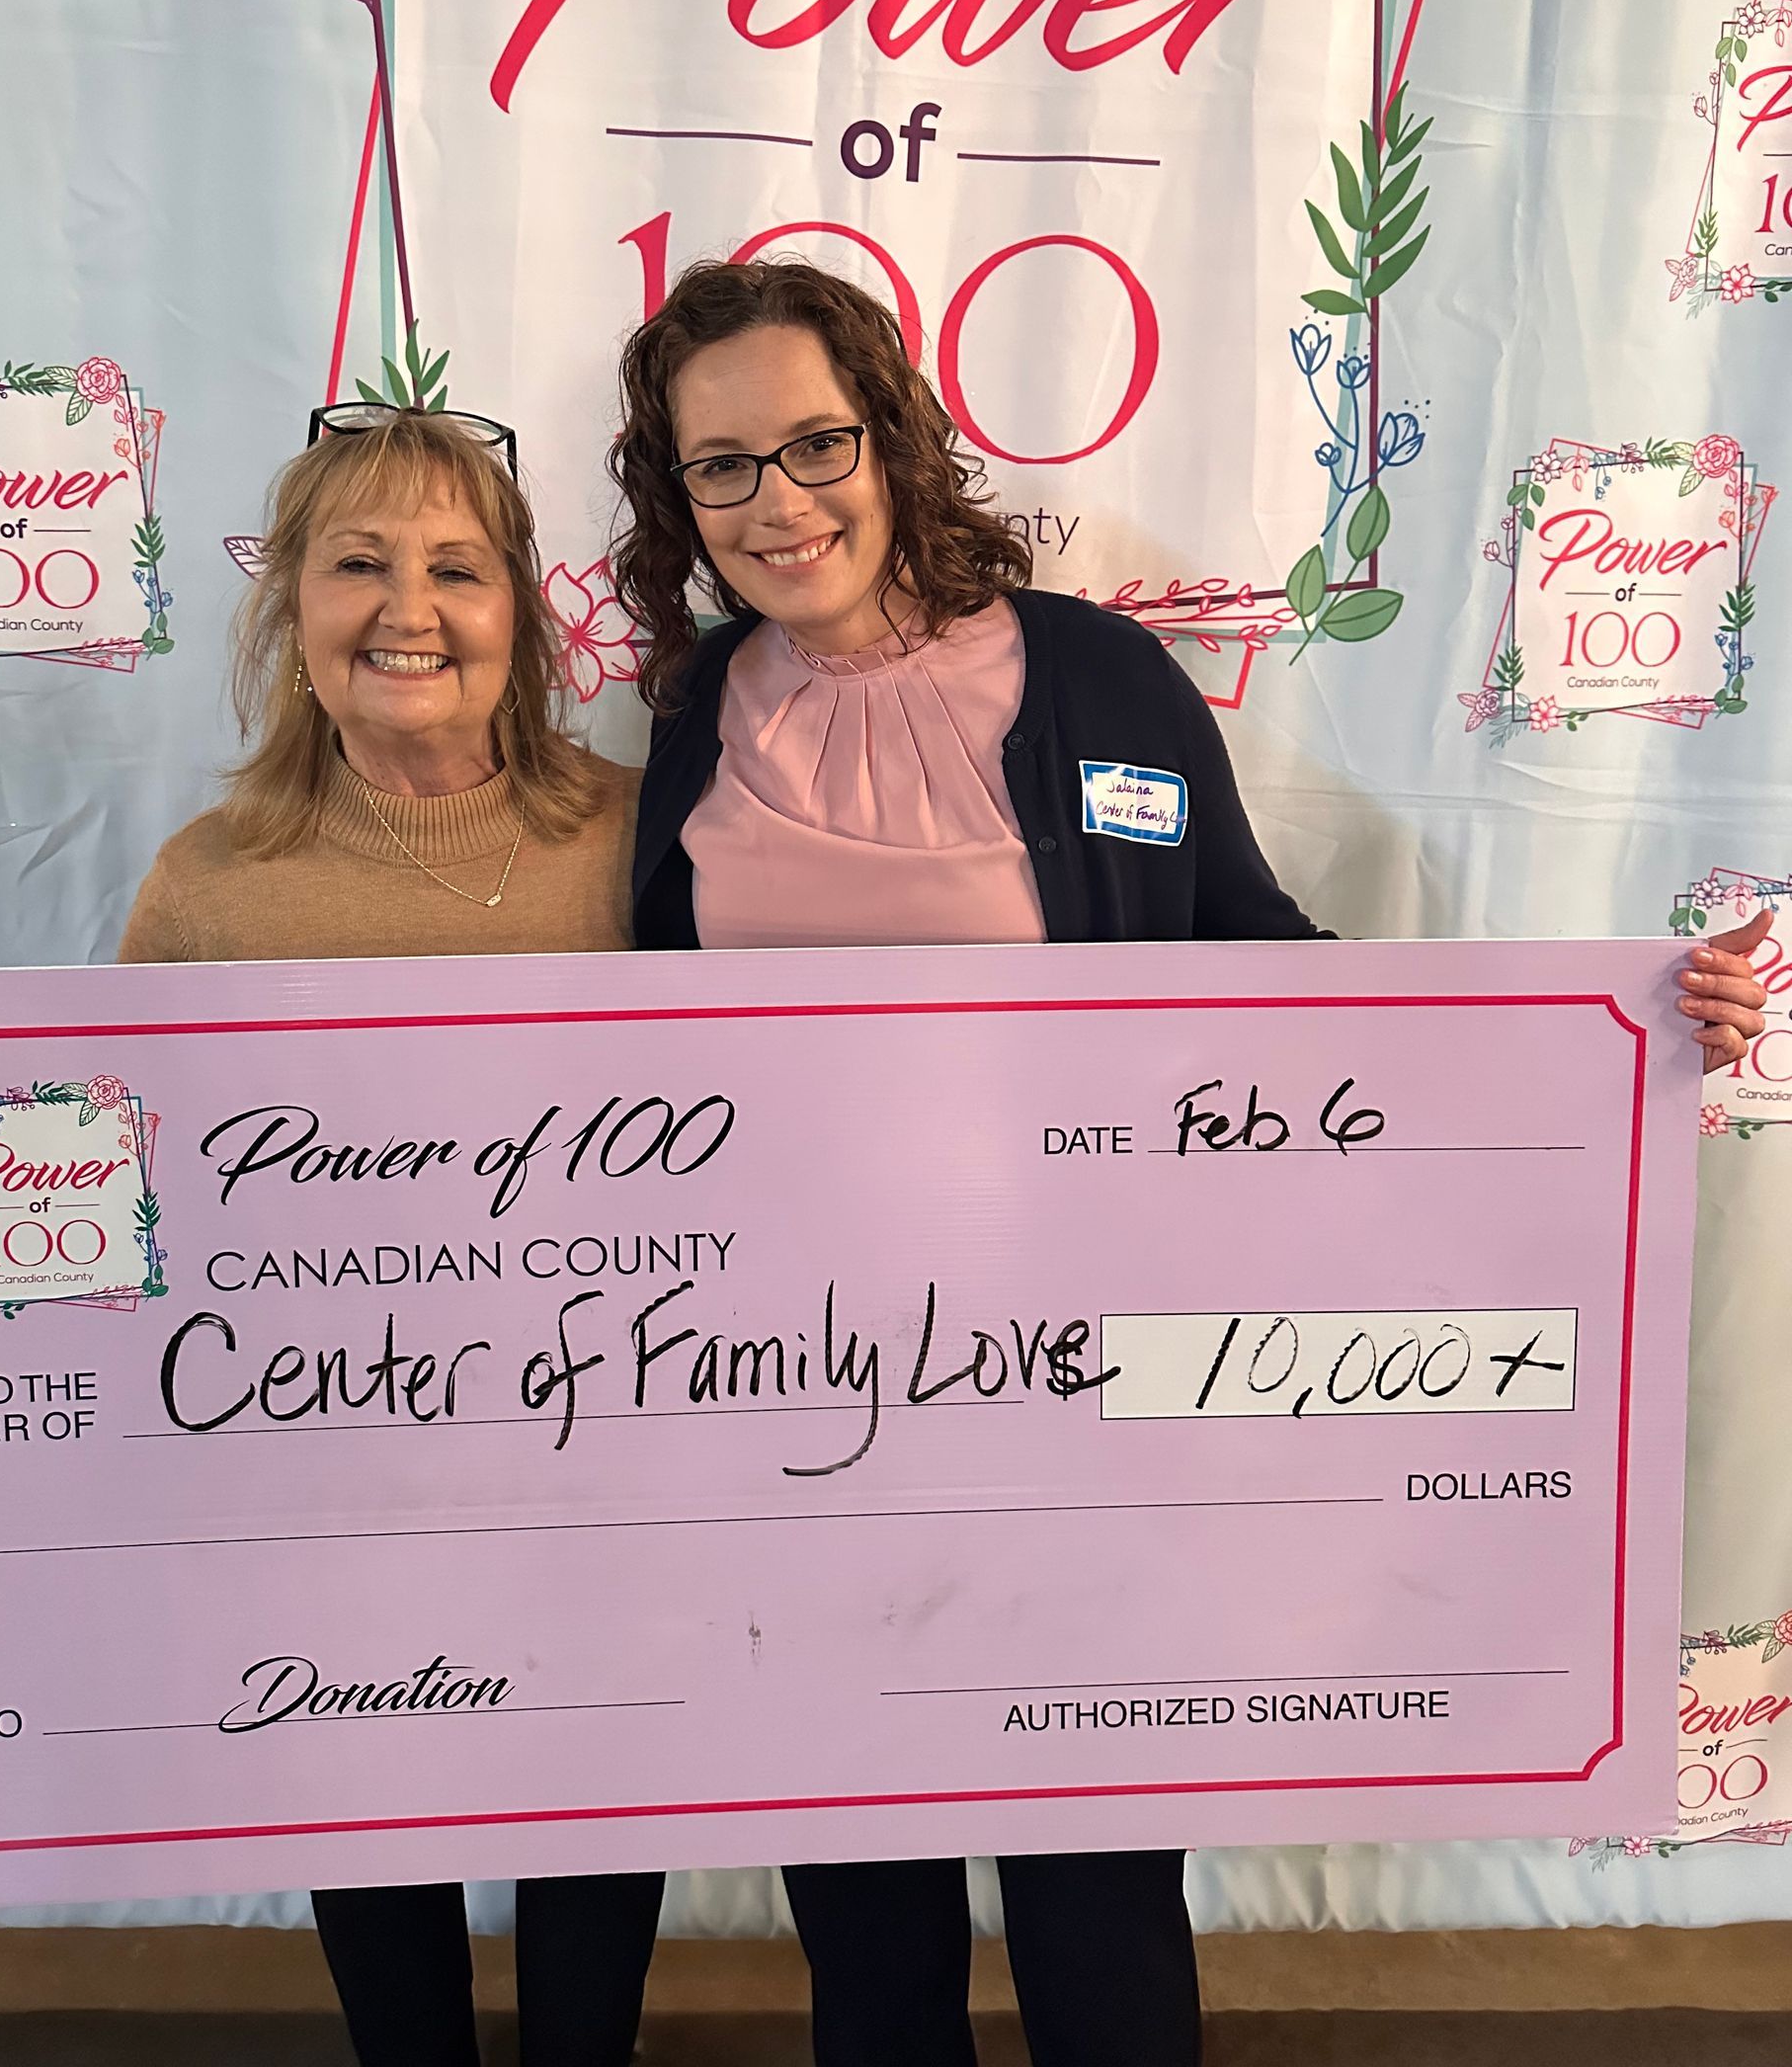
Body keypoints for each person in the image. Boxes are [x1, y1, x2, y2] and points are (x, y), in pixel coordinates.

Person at [607, 254, 1769, 2067]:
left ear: (892, 437)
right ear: (675, 496)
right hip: (797, 1406)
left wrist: (1603, 1029)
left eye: (814, 442)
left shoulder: (1095, 678)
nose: (778, 501)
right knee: (864, 1917)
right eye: (722, 467)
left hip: (1085, 1394)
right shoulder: (695, 716)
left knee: (1096, 1898)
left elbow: (1258, 961)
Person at [120, 403, 662, 2067]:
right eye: (358, 562)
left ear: (527, 611)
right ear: (291, 607)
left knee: (594, 1819)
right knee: (370, 1822)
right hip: (327, 1494)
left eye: (456, 565)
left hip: (617, 1467)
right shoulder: (211, 885)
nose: (407, 606)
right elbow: (126, 1207)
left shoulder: (653, 839)